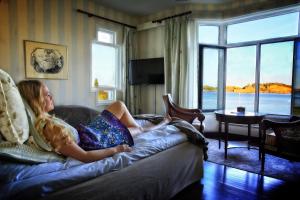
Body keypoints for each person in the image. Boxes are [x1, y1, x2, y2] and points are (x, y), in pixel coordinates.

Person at [17, 80, 170, 163]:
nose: (51, 96)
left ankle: (147, 123)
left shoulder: (46, 120)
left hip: (89, 132)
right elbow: (84, 156)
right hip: (95, 141)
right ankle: (161, 123)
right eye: (46, 94)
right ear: (35, 100)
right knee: (136, 130)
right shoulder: (49, 128)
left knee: (119, 105)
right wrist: (117, 149)